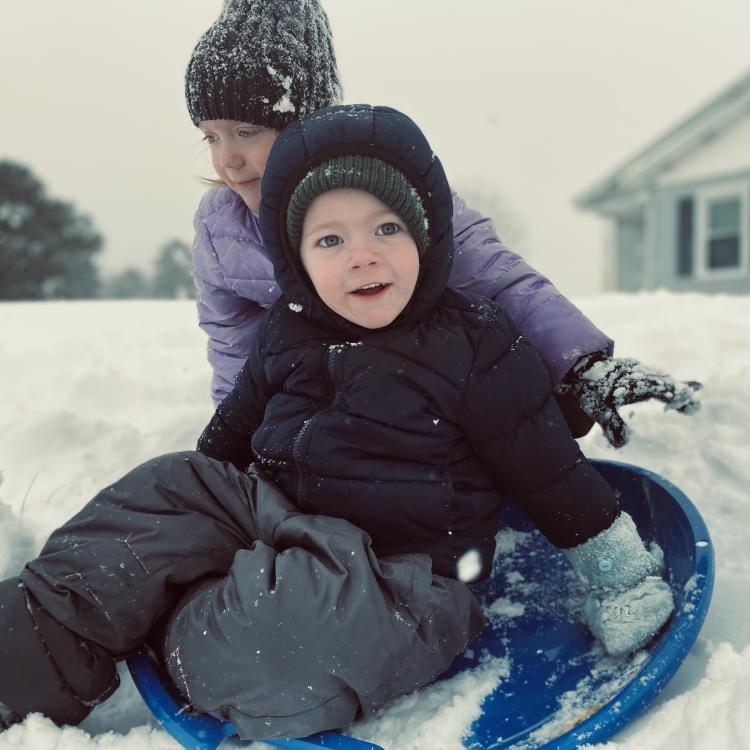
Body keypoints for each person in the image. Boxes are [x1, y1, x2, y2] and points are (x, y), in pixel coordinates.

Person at [0, 103, 675, 743]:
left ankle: (190, 631)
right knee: (165, 489)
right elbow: (223, 447)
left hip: (399, 577)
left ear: (426, 237)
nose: (362, 255)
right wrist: (188, 525)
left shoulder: (474, 344)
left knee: (285, 645)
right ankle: (26, 654)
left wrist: (618, 577)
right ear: (296, 258)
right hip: (278, 523)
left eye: (387, 228)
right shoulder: (285, 331)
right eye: (330, 238)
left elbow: (550, 469)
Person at [185, 0, 700, 448]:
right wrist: (240, 438)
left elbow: (497, 277)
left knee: (501, 368)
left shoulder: (384, 189)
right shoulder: (220, 230)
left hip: (425, 388)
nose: (227, 159)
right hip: (330, 409)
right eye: (211, 138)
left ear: (305, 120)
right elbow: (234, 344)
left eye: (246, 131)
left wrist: (582, 364)